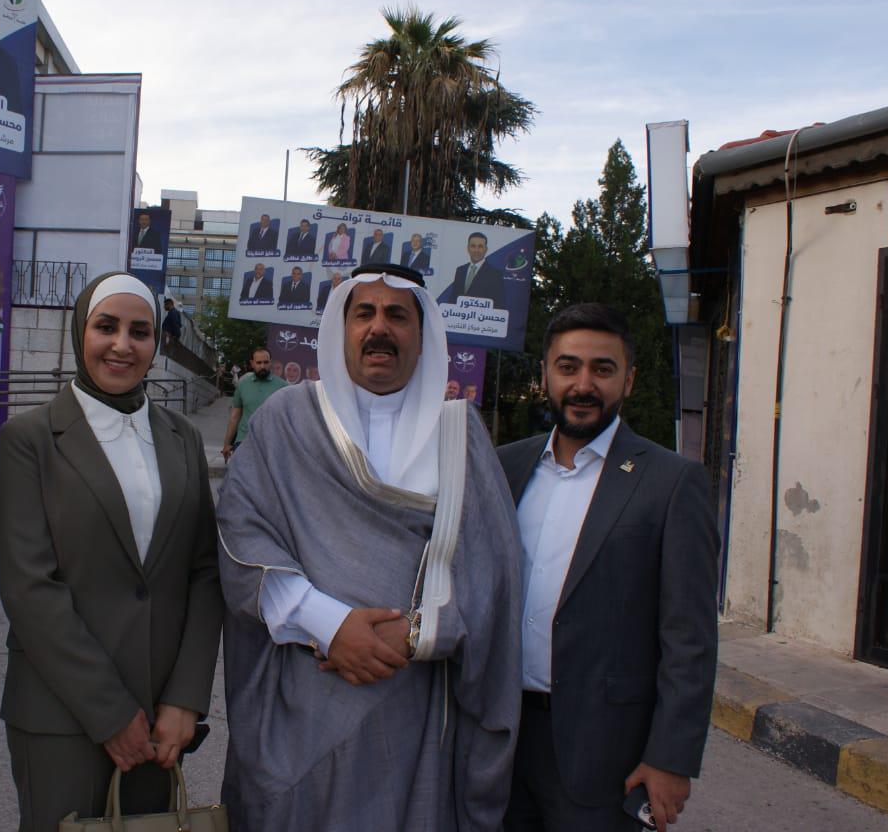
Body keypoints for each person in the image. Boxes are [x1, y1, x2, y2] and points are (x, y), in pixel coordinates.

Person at [217, 263, 523, 830]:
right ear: (343, 330)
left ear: (422, 336)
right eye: (364, 313)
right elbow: (242, 534)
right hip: (306, 700)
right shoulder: (286, 420)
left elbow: (493, 572)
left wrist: (416, 634)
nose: (379, 328)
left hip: (416, 709)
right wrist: (329, 624)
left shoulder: (459, 435)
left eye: (397, 315)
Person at [0, 272, 223, 831]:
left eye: (139, 332)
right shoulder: (30, 438)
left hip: (162, 720)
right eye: (106, 327)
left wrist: (185, 699)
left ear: (155, 343)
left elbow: (204, 572)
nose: (122, 345)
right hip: (60, 713)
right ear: (81, 332)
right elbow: (30, 587)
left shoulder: (183, 438)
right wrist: (111, 712)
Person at [496, 304, 719, 832]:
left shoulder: (671, 482)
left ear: (628, 380)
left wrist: (671, 758)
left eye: (602, 369)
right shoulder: (504, 466)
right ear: (545, 374)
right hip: (499, 739)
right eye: (568, 367)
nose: (583, 385)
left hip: (604, 755)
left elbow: (689, 636)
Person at [221, 346, 286, 461]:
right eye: (259, 362)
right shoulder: (242, 384)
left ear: (270, 362)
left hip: (271, 445)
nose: (262, 366)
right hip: (243, 442)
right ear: (252, 363)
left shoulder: (283, 387)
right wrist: (227, 444)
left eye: (266, 362)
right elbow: (234, 417)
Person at [439, 231, 505, 305]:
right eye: (473, 246)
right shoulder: (460, 270)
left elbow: (498, 304)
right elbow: (453, 298)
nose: (476, 250)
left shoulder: (495, 274)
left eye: (480, 246)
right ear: (468, 248)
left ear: (486, 249)